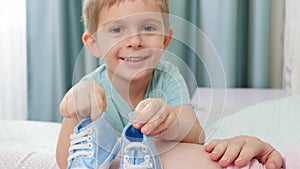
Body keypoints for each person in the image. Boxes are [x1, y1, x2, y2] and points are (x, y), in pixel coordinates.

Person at [56, 0, 283, 169]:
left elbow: (195, 135)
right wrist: (77, 112)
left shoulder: (168, 77)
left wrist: (169, 122)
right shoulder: (90, 87)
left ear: (165, 40)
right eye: (117, 30)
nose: (135, 41)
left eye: (148, 28)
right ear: (94, 44)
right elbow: (64, 159)